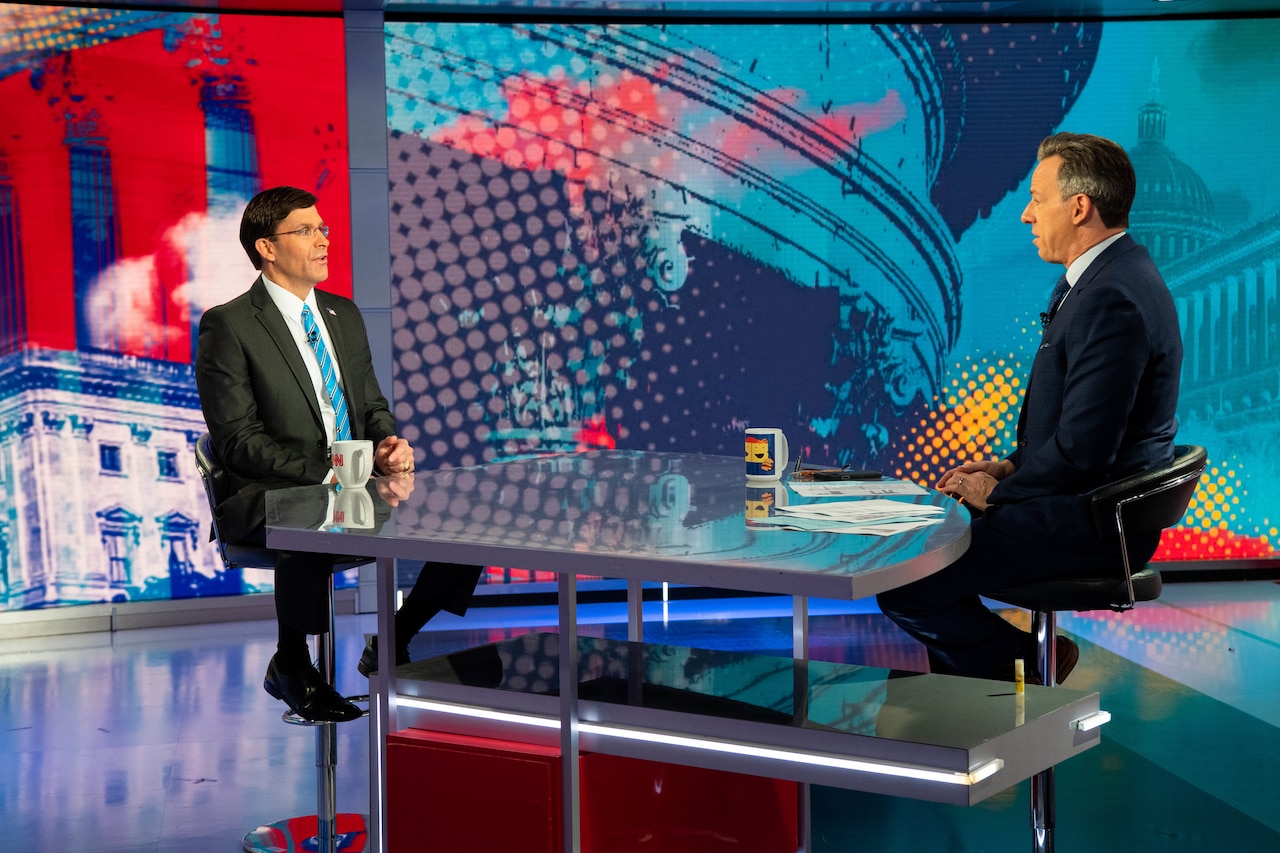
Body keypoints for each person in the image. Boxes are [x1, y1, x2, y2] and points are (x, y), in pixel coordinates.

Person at [876, 132, 1182, 684]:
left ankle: (1013, 675)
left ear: (1079, 206)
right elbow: (1075, 430)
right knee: (924, 542)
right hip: (1079, 504)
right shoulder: (1103, 280)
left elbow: (1085, 451)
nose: (1025, 215)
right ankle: (978, 692)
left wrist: (998, 494)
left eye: (1037, 199)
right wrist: (1008, 466)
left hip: (1089, 521)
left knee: (907, 574)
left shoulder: (1112, 296)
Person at [196, 186, 481, 722]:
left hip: (352, 483)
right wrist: (329, 476)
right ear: (267, 248)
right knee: (307, 516)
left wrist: (388, 443)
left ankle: (394, 637)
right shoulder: (228, 325)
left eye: (323, 228)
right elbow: (238, 442)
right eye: (305, 231)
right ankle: (292, 662)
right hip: (270, 489)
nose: (323, 239)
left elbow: (372, 406)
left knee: (466, 517)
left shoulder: (343, 314)